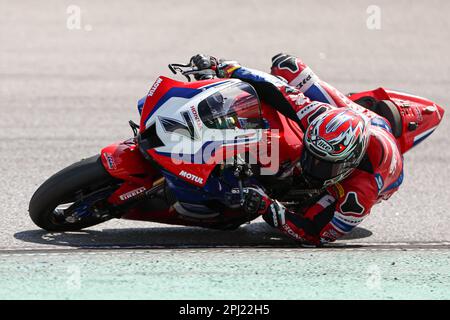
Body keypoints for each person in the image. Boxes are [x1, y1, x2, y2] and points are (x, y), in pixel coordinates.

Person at [189, 53, 404, 246]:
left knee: (307, 212)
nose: (311, 167)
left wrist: (268, 208)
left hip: (381, 159)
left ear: (349, 164)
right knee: (287, 66)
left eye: (324, 166)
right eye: (311, 155)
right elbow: (279, 89)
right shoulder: (317, 114)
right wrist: (225, 69)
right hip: (360, 120)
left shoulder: (358, 195)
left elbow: (316, 235)